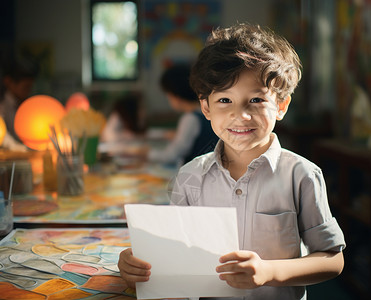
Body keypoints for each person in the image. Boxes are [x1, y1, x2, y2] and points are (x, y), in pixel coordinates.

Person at [118, 24, 345, 300]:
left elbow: (333, 260)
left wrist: (269, 272)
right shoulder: (189, 176)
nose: (241, 115)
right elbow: (176, 251)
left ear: (282, 105)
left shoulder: (302, 175)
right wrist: (137, 261)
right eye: (225, 99)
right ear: (206, 107)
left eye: (256, 100)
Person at [147, 64, 219, 165]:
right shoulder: (207, 111)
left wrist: (146, 153)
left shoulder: (190, 119)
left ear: (175, 94)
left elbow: (171, 155)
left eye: (168, 95)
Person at [0, 55, 38, 151]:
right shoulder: (3, 105)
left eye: (30, 87)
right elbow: (3, 135)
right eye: (25, 87)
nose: (28, 91)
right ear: (8, 82)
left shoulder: (26, 103)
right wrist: (13, 146)